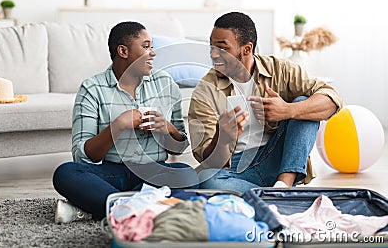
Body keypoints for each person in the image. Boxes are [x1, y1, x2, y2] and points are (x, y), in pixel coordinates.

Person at [53, 21, 198, 223]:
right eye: (146, 46)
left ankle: (107, 209)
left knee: (186, 174)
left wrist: (168, 128)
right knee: (66, 173)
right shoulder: (92, 88)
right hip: (111, 173)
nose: (153, 53)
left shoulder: (165, 83)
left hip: (154, 171)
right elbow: (82, 156)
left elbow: (180, 147)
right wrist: (118, 125)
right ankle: (143, 206)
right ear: (123, 51)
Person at [188, 12, 342, 194]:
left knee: (303, 103)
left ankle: (283, 183)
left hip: (277, 158)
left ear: (246, 49)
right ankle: (279, 194)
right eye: (211, 47)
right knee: (207, 180)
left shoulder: (281, 70)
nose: (214, 54)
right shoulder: (205, 90)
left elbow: (331, 99)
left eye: (222, 48)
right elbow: (208, 161)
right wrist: (222, 140)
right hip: (235, 167)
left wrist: (288, 110)